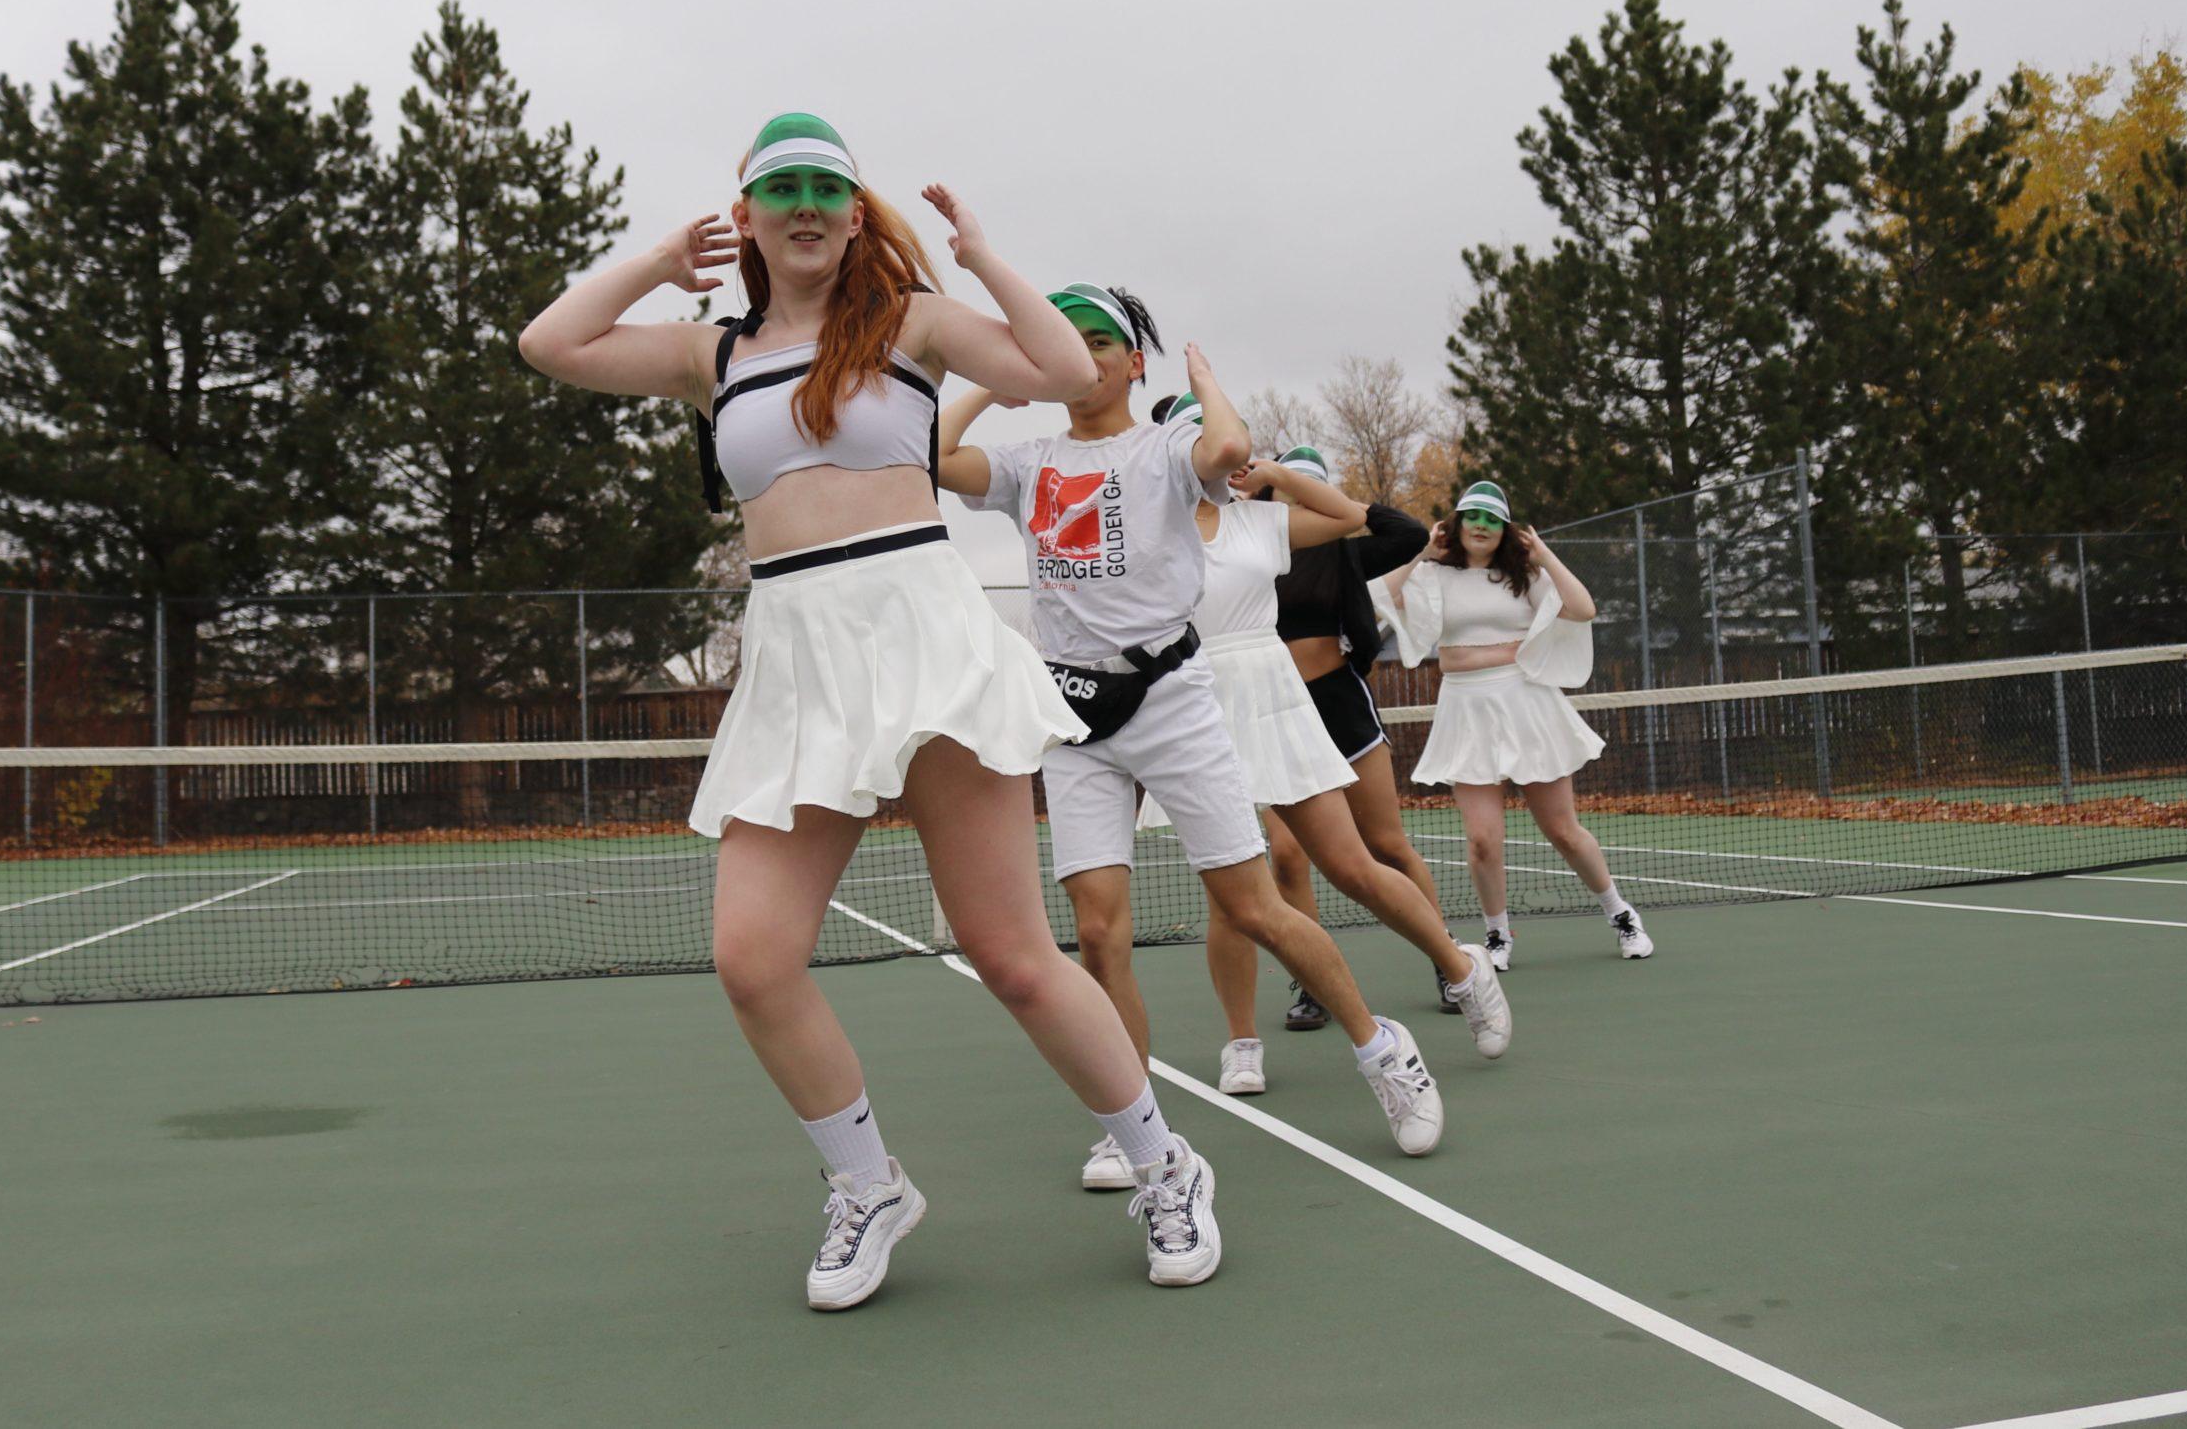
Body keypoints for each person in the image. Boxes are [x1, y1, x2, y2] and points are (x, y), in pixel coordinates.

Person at [519, 115, 1217, 1307]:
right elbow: (549, 344)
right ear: (745, 216)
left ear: (854, 214)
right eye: (777, 189)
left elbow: (1052, 370)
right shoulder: (713, 353)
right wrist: (653, 261)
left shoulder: (910, 324)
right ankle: (867, 1185)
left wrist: (983, 256)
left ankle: (1165, 1165)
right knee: (751, 958)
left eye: (825, 191)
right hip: (798, 661)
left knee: (1010, 953)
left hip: (924, 638)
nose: (803, 206)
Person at [937, 285, 1451, 1192]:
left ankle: (1382, 1049)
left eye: (1101, 342)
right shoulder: (1029, 462)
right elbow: (931, 456)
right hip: (1074, 714)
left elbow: (1227, 448)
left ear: (1136, 361)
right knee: (1097, 933)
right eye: (1064, 343)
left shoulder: (1166, 446)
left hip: (1174, 698)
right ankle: (1129, 1121)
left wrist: (1205, 377)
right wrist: (995, 379)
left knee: (1256, 907)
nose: (1083, 356)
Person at [1139, 405, 1508, 1096]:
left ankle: (1461, 968)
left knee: (1353, 863)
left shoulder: (1263, 522)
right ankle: (1241, 1042)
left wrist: (1278, 475)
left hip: (1282, 703)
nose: (1206, 457)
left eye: (1217, 446)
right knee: (1230, 894)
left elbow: (1352, 519)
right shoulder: (1151, 531)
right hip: (1198, 711)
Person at [1378, 480, 1654, 964]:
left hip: (1527, 703)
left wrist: (1544, 555)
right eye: (1472, 517)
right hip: (1464, 708)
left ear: (1505, 530)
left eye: (1492, 519)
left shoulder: (1525, 575)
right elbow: (1381, 596)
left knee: (1563, 830)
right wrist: (1423, 551)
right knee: (1483, 840)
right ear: (1457, 525)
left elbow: (1584, 609)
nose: (1481, 526)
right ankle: (1498, 935)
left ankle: (1621, 915)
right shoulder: (1435, 576)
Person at [1241, 448, 1469, 1027]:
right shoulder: (1250, 549)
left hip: (1339, 706)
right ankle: (1314, 981)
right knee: (1288, 858)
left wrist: (1295, 478)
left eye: (1310, 486)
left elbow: (1408, 531)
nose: (1299, 496)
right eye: (1291, 487)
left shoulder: (1347, 551)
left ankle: (1448, 960)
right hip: (1274, 714)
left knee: (1385, 846)